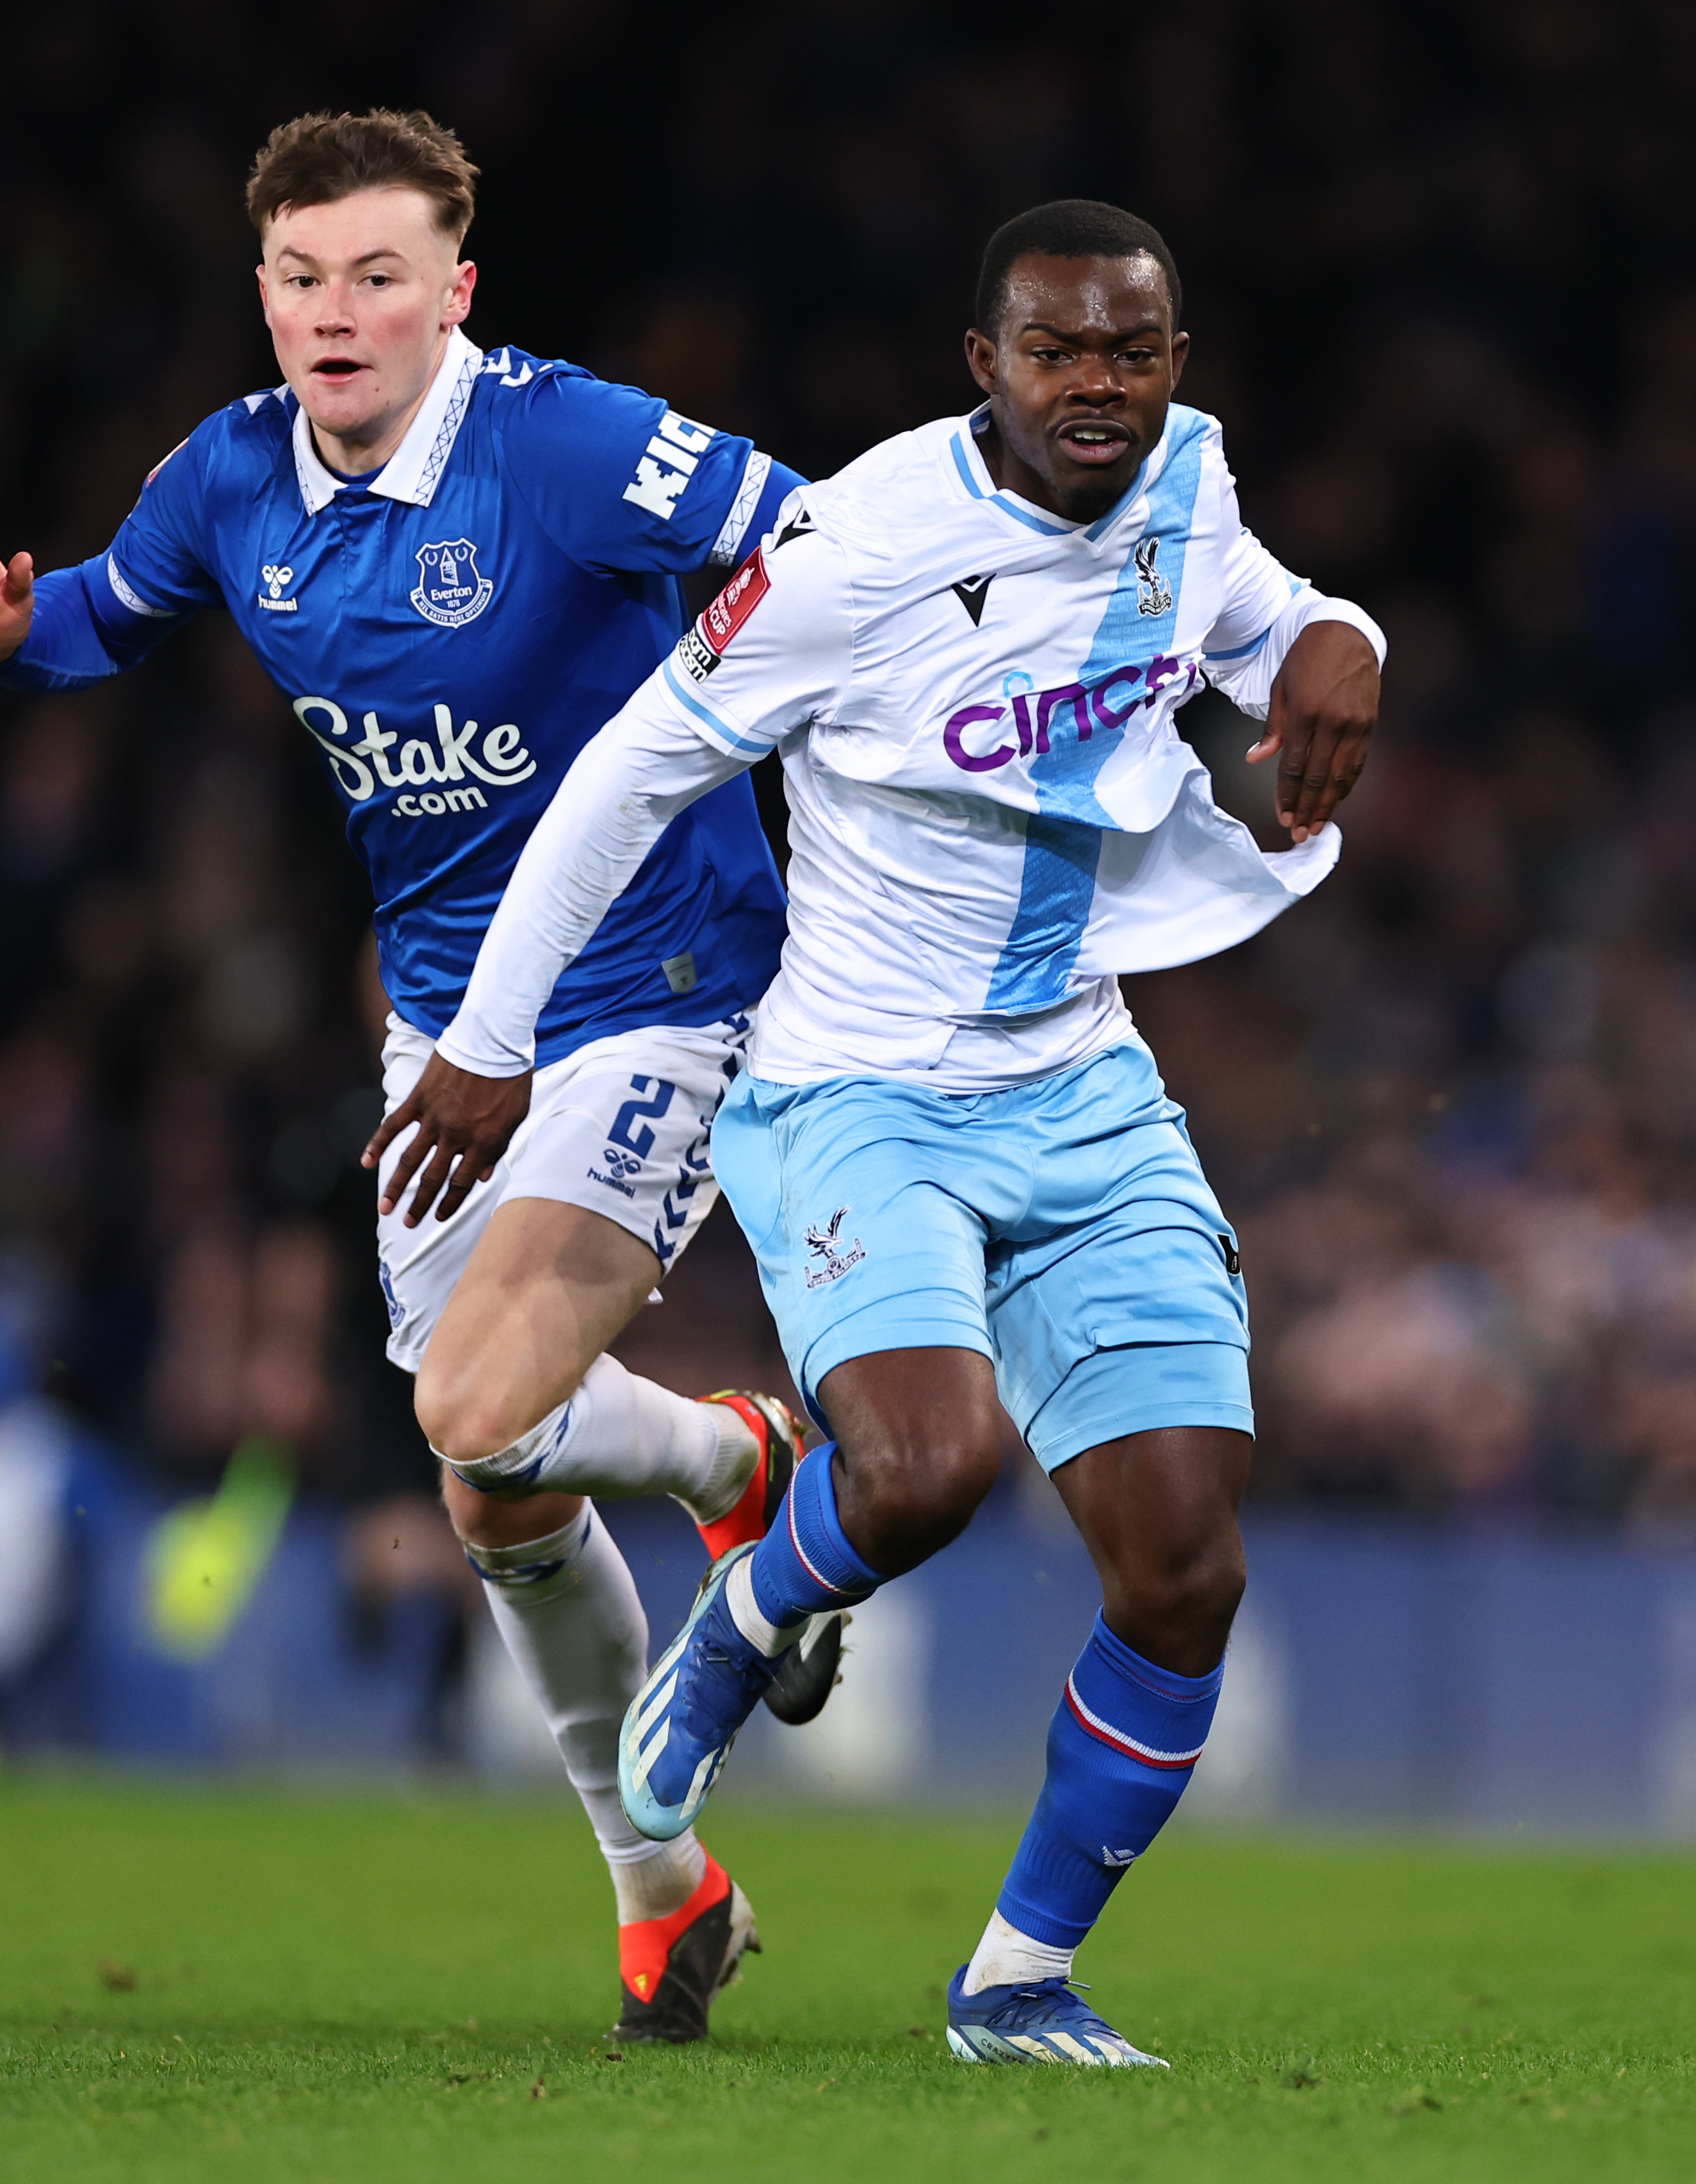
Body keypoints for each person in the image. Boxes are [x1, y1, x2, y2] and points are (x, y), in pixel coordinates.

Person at [371, 199, 1382, 2066]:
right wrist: (489, 1043)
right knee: (922, 1466)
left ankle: (1014, 1980)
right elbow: (633, 767)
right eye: (1058, 351)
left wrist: (1346, 636)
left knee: (1186, 1558)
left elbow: (1272, 615)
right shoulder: (857, 548)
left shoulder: (1188, 484)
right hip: (855, 1089)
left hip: (1083, 1078)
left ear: (1178, 360)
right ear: (979, 363)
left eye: (1134, 351)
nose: (1100, 387)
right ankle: (743, 1620)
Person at [0, 108, 838, 2045]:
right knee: (487, 1478)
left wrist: (764, 715)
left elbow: (823, 541)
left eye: (380, 275)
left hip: (663, 984)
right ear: (264, 293)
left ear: (453, 293)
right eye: (305, 279)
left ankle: (734, 1493)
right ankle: (672, 1842)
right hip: (437, 1018)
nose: (339, 314)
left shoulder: (566, 443)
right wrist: (12, 635)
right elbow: (100, 608)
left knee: (477, 1402)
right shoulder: (229, 475)